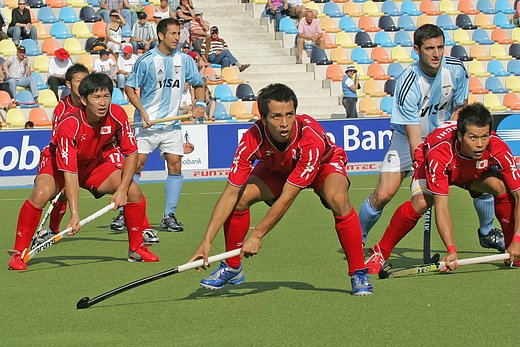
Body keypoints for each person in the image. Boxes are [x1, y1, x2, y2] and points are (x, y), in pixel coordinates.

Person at [189, 83, 373, 296]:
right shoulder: (252, 139)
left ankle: (358, 271)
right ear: (263, 119)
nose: (284, 123)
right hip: (278, 168)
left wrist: (257, 235)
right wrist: (206, 241)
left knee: (338, 199)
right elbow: (230, 192)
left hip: (323, 165)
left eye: (289, 114)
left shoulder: (309, 138)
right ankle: (232, 266)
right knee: (240, 199)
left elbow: (287, 197)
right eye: (276, 117)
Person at [358, 24, 501, 252]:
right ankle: (359, 238)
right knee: (384, 194)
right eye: (429, 48)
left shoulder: (456, 69)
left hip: (446, 136)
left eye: (440, 47)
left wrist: (448, 137)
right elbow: (414, 134)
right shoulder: (408, 82)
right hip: (408, 139)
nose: (436, 54)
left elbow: (460, 110)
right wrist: (425, 164)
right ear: (417, 50)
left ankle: (487, 232)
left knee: (479, 177)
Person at [8, 72, 160, 271]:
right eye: (96, 97)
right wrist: (75, 214)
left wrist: (122, 190)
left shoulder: (117, 115)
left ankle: (136, 248)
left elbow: (131, 153)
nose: (103, 103)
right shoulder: (69, 125)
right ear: (83, 99)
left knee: (133, 191)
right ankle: (19, 253)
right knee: (40, 194)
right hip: (56, 163)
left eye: (106, 96)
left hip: (92, 164)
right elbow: (70, 172)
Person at [365, 103, 520, 275]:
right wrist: (451, 249)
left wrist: (517, 240)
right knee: (422, 201)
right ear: (460, 136)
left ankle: (511, 250)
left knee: (501, 186)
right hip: (433, 164)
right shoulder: (440, 153)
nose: (480, 144)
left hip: (469, 171)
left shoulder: (498, 147)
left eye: (484, 137)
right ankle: (380, 252)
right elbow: (442, 207)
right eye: (473, 138)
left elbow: (519, 196)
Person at [125, 18, 206, 233]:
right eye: (173, 34)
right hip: (146, 124)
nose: (177, 38)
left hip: (172, 126)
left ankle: (168, 215)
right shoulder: (146, 60)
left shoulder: (185, 60)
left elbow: (198, 84)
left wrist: (199, 103)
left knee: (175, 165)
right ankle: (127, 210)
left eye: (179, 34)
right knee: (137, 164)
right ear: (161, 35)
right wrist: (142, 111)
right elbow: (130, 88)